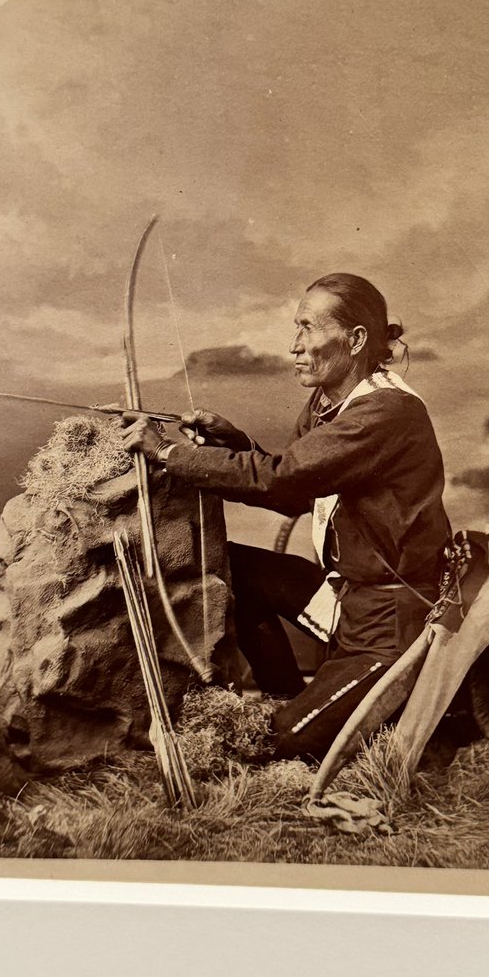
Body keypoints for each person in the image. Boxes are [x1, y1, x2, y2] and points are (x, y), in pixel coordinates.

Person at [122, 273, 450, 760]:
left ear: (356, 339)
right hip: (346, 597)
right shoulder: (327, 403)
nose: (294, 346)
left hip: (390, 623)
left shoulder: (386, 411)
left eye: (308, 329)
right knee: (226, 567)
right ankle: (287, 697)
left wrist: (169, 454)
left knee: (277, 742)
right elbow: (302, 491)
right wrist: (237, 445)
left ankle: (295, 720)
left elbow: (283, 479)